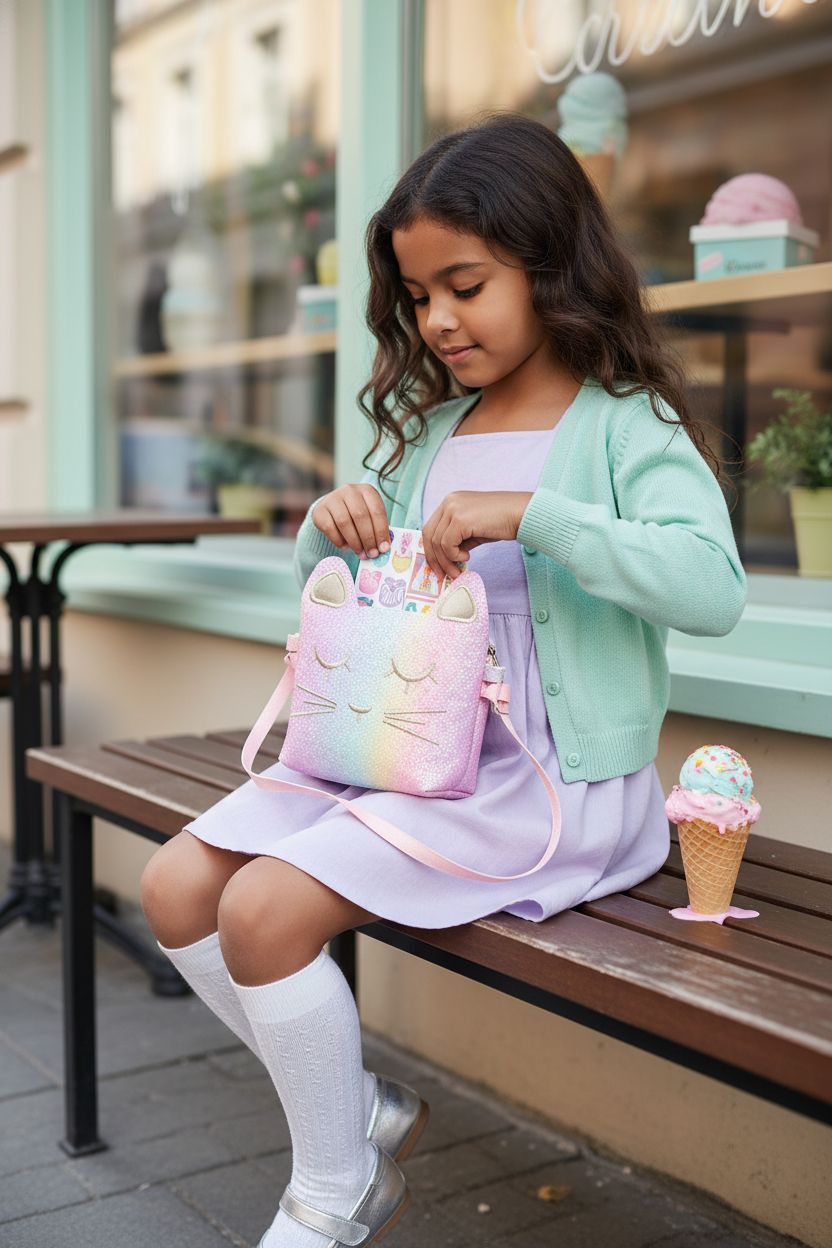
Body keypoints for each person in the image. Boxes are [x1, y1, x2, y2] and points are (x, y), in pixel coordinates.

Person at [141, 112, 746, 1247]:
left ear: (550, 263)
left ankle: (334, 1189)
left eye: (462, 285)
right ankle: (352, 1113)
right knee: (179, 889)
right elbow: (359, 598)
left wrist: (540, 517)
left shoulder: (625, 428)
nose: (437, 321)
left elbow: (712, 589)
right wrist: (333, 531)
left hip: (548, 783)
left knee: (263, 912)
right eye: (419, 297)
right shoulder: (433, 431)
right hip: (401, 743)